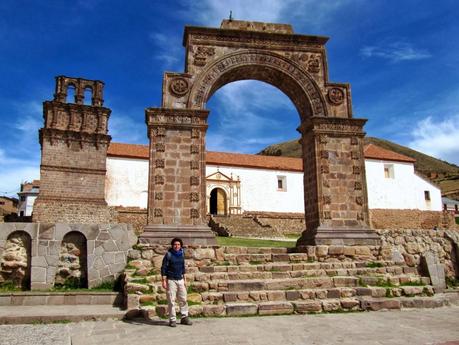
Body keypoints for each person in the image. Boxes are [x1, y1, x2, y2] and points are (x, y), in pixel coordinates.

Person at [161, 237, 192, 327]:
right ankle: (172, 319)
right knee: (171, 300)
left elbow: (183, 267)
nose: (177, 246)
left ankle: (184, 317)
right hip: (171, 280)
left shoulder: (181, 253)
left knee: (183, 299)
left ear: (181, 245)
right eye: (175, 244)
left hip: (180, 279)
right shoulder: (168, 254)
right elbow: (164, 268)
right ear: (172, 245)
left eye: (178, 244)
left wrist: (185, 279)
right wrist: (163, 280)